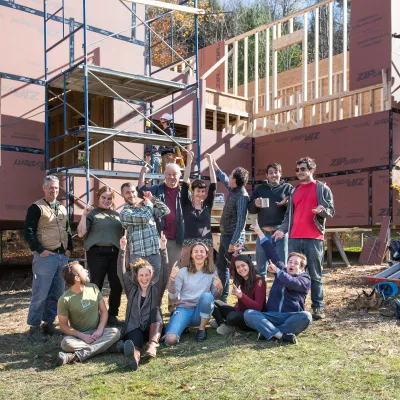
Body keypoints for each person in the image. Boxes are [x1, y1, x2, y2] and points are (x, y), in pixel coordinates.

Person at [272, 157, 335, 320]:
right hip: (294, 237)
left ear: (312, 170)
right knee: (293, 275)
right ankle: (297, 307)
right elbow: (288, 216)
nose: (299, 172)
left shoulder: (322, 188)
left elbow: (331, 212)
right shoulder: (294, 190)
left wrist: (322, 211)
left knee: (314, 274)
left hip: (314, 238)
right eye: (297, 169)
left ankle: (317, 307)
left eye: (303, 169)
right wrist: (281, 230)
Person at [244, 221, 312, 344]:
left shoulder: (305, 279)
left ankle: (268, 333)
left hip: (290, 317)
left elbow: (292, 282)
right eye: (290, 261)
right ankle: (282, 335)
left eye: (296, 263)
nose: (291, 264)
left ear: (301, 268)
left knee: (306, 316)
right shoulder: (282, 269)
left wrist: (278, 272)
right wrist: (259, 232)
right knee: (249, 314)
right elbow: (271, 252)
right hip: (272, 316)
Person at [24, 175, 73, 342]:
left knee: (57, 293)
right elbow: (28, 232)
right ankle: (34, 327)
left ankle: (48, 324)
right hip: (45, 257)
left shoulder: (62, 207)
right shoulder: (36, 207)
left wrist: (70, 249)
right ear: (44, 188)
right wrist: (40, 250)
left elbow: (67, 230)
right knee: (40, 293)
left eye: (57, 188)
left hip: (61, 257)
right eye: (51, 188)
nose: (54, 191)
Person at [116, 231, 166, 371]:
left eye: (147, 275)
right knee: (135, 342)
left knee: (156, 310)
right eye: (141, 275)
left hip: (152, 328)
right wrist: (122, 250)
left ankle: (152, 345)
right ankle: (135, 357)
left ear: (151, 276)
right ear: (136, 277)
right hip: (135, 326)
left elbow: (164, 273)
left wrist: (163, 249)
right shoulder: (131, 289)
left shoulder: (156, 289)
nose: (144, 278)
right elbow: (121, 272)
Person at [56, 261, 121, 366]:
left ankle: (74, 357)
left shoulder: (93, 288)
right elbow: (63, 326)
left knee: (115, 332)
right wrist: (82, 336)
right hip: (79, 337)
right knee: (66, 343)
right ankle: (110, 347)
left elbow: (104, 311)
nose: (86, 270)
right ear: (77, 278)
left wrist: (99, 330)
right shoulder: (64, 300)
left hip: (98, 334)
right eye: (82, 270)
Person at [77, 186, 124, 326]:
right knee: (96, 284)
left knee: (117, 284)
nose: (106, 200)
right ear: (98, 197)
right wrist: (84, 215)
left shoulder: (117, 215)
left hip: (115, 253)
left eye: (109, 198)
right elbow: (80, 234)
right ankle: (93, 316)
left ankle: (112, 315)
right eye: (103, 197)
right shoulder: (92, 214)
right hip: (97, 253)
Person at [138, 162, 184, 300]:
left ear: (179, 176)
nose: (171, 177)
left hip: (177, 239)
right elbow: (141, 191)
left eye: (174, 174)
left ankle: (173, 304)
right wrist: (142, 174)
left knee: (174, 273)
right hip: (158, 238)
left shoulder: (184, 192)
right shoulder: (157, 189)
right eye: (168, 174)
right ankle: (154, 304)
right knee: (156, 273)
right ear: (164, 175)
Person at [164, 243, 223, 344]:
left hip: (200, 313)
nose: (199, 254)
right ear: (191, 255)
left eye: (201, 251)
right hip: (184, 309)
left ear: (206, 255)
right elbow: (173, 296)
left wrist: (219, 289)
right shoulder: (182, 272)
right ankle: (182, 326)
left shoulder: (212, 272)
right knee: (170, 340)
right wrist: (172, 278)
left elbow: (213, 297)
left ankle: (201, 329)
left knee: (207, 296)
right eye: (196, 251)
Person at [211, 159, 249, 302]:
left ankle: (243, 299)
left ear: (235, 180)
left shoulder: (242, 196)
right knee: (222, 267)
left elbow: (241, 223)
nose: (229, 176)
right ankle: (223, 299)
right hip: (226, 237)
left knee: (241, 270)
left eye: (231, 175)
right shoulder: (234, 189)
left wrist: (233, 242)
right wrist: (215, 167)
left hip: (234, 240)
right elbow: (224, 179)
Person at [119, 182, 170, 284]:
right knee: (139, 286)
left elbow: (166, 210)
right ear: (122, 195)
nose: (131, 195)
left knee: (155, 286)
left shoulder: (146, 207)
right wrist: (149, 205)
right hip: (138, 256)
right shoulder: (125, 213)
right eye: (127, 193)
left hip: (154, 254)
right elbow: (145, 218)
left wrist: (153, 199)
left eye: (133, 192)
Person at [248, 162, 293, 277]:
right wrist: (255, 203)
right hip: (263, 234)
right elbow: (251, 210)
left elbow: (294, 209)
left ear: (280, 173)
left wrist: (287, 203)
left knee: (282, 268)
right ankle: (260, 295)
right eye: (271, 173)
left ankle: (281, 295)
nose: (274, 175)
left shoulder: (288, 188)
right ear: (267, 176)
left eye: (276, 172)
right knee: (260, 269)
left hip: (280, 234)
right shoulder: (260, 189)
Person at [213, 253, 266, 335]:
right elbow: (231, 270)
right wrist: (233, 256)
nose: (241, 269)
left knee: (232, 317)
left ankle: (229, 324)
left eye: (243, 265)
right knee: (214, 302)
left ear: (249, 265)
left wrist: (242, 296)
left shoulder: (259, 281)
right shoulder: (241, 278)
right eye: (238, 267)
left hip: (251, 317)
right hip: (239, 310)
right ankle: (223, 324)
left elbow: (258, 307)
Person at [180, 151, 217, 267]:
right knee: (187, 272)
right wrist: (189, 161)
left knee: (207, 272)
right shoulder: (186, 204)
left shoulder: (207, 205)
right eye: (198, 191)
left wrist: (210, 162)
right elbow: (185, 182)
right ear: (193, 191)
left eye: (203, 191)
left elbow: (214, 184)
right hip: (188, 245)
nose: (201, 194)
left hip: (206, 245)